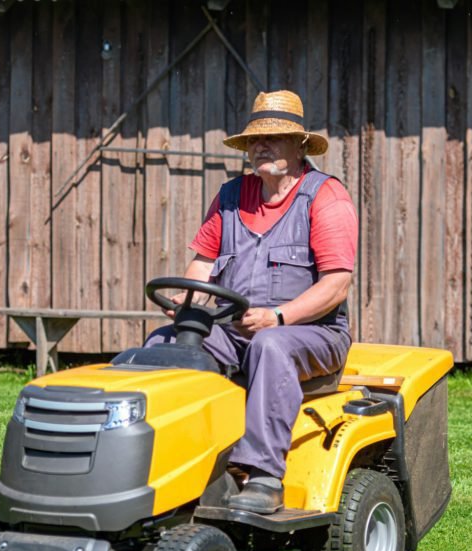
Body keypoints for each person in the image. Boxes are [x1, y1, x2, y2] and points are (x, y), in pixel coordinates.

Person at [145, 90, 358, 514]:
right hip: (231, 328)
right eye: (255, 141)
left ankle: (263, 475)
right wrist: (185, 305)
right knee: (164, 345)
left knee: (270, 346)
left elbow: (337, 285)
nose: (261, 147)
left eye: (274, 139)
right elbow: (202, 268)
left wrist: (279, 317)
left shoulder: (326, 196)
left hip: (312, 334)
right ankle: (167, 462)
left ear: (300, 146)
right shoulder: (229, 197)